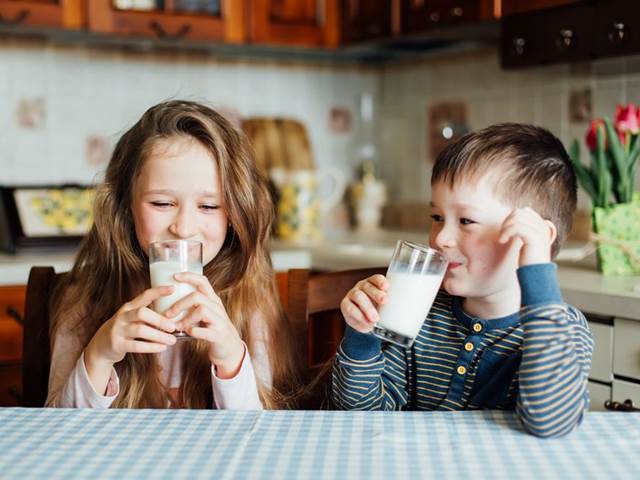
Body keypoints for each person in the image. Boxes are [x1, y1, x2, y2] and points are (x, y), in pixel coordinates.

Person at [332, 123, 594, 437]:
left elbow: (550, 423)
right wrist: (362, 339)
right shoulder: (421, 314)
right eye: (437, 217)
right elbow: (359, 416)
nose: (441, 238)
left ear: (533, 237)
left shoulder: (561, 328)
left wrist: (537, 268)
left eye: (466, 220)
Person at [47, 100, 299, 409]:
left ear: (234, 213)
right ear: (126, 206)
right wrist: (99, 356)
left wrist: (231, 359)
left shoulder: (251, 302)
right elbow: (59, 434)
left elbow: (257, 436)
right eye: (162, 204)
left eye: (209, 206)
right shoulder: (84, 302)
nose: (183, 228)